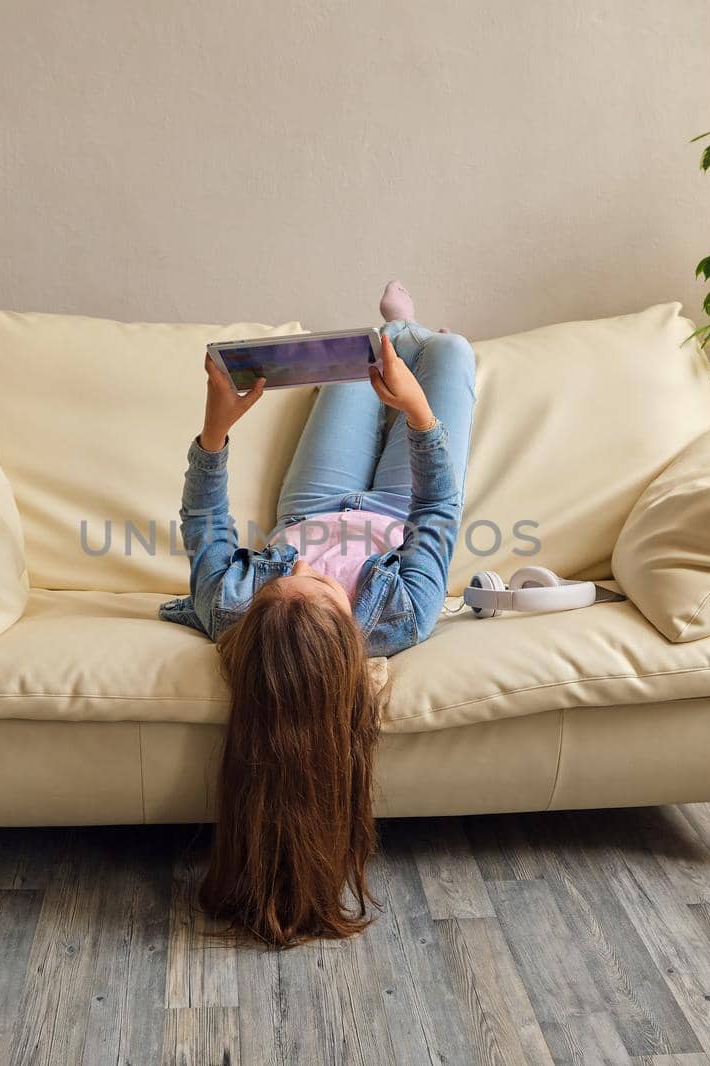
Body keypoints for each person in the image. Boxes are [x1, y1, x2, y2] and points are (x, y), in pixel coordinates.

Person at [159, 281, 477, 946]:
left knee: (361, 357)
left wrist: (215, 426)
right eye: (322, 588)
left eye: (283, 578)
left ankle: (397, 334)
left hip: (313, 500)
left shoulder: (230, 608)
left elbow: (205, 522)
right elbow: (436, 512)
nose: (303, 568)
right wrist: (418, 415)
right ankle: (419, 335)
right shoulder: (401, 615)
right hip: (395, 505)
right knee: (451, 354)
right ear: (346, 644)